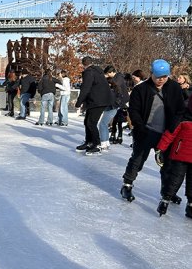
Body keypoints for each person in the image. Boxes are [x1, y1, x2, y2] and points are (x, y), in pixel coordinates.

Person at [120, 59, 186, 202]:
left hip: (166, 134)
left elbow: (180, 110)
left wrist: (173, 127)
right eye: (158, 76)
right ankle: (127, 185)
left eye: (164, 76)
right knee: (137, 160)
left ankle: (167, 192)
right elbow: (134, 111)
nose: (161, 79)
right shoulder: (140, 89)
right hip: (145, 132)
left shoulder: (174, 87)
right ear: (151, 74)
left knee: (167, 164)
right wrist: (140, 127)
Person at [154, 100, 192, 217]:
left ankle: (190, 205)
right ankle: (165, 200)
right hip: (179, 156)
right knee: (174, 179)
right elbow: (170, 134)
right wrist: (160, 149)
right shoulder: (183, 118)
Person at [74, 56, 113, 155]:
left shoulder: (89, 72)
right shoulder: (97, 71)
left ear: (83, 64)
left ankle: (96, 144)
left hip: (97, 101)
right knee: (87, 121)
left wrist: (79, 102)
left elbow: (85, 89)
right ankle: (89, 142)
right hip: (97, 100)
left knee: (91, 122)